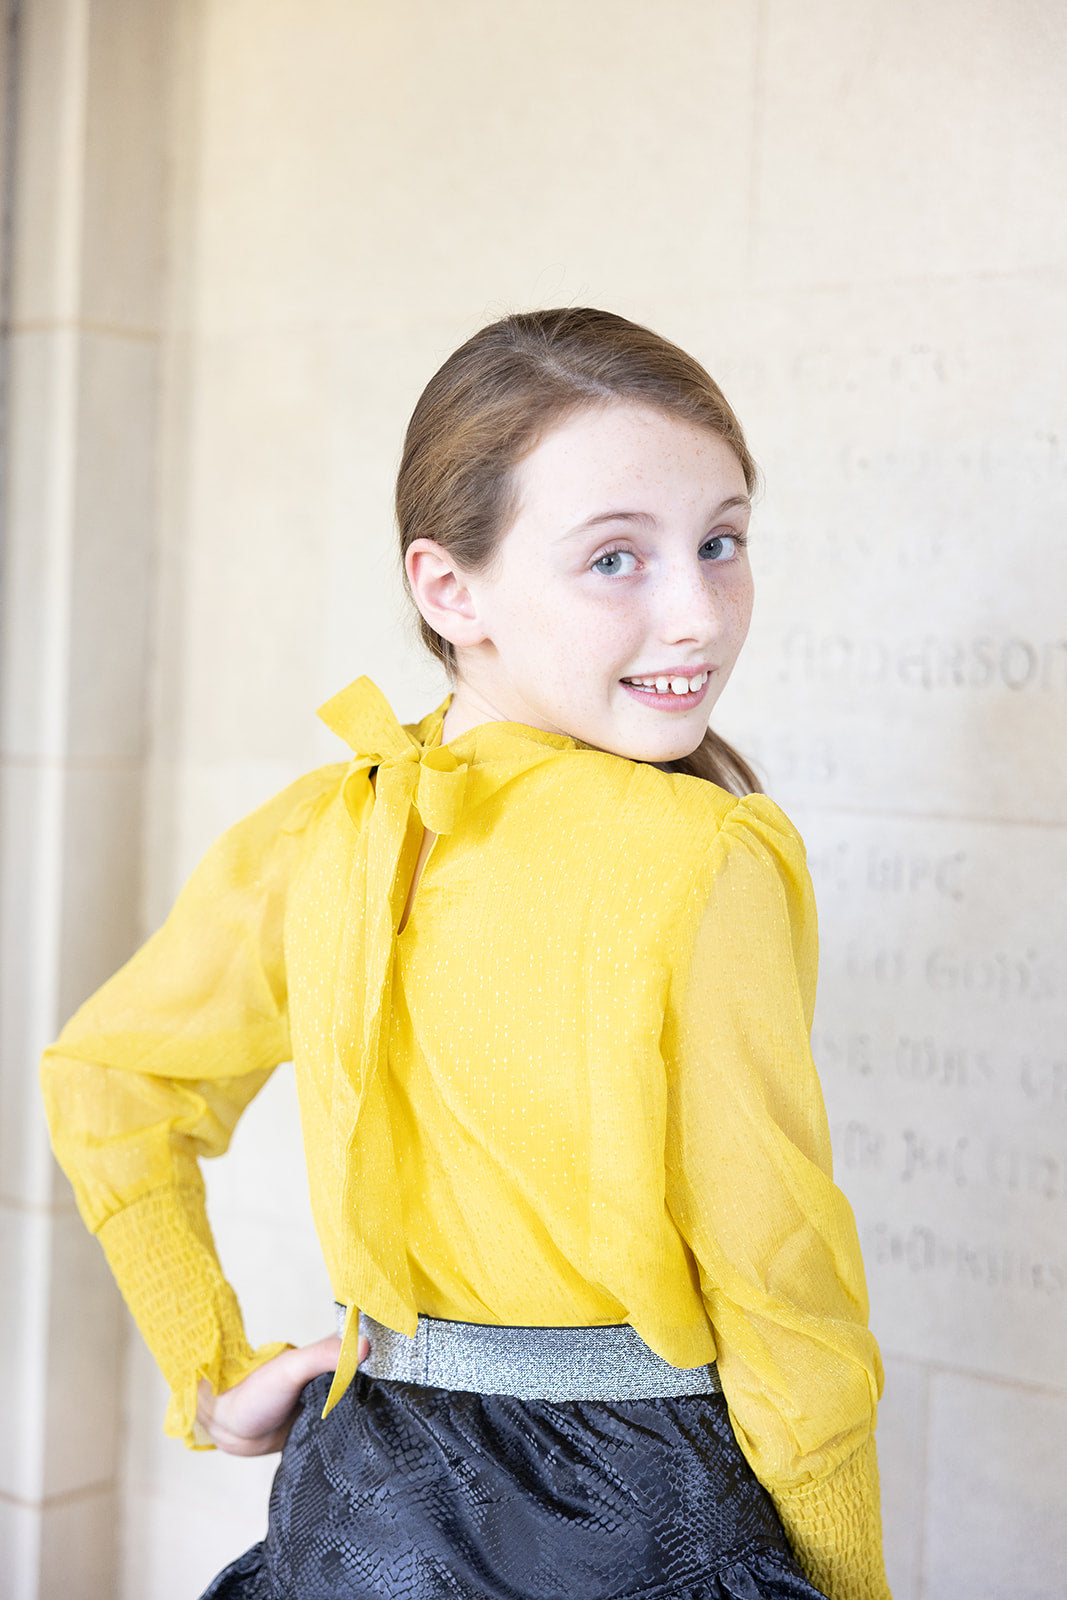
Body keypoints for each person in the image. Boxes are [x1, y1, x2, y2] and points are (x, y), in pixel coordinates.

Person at [41, 308, 892, 1600]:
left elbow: (107, 1075)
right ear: (450, 589)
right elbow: (783, 1287)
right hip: (626, 1521)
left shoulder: (314, 828)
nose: (698, 613)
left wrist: (208, 1368)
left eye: (721, 542)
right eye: (617, 558)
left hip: (357, 1507)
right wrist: (850, 1571)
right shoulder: (700, 858)